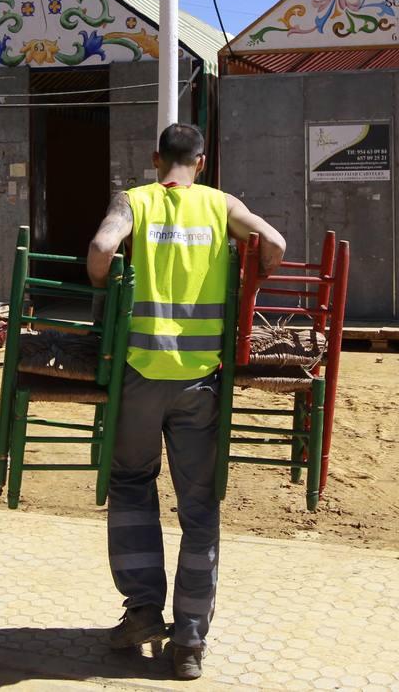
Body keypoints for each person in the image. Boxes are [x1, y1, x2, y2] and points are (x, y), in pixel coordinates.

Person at [87, 123, 285, 680]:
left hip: (140, 375)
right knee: (199, 510)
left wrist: (103, 290)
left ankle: (144, 612)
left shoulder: (135, 201)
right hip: (202, 381)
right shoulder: (222, 205)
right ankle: (190, 641)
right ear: (201, 161)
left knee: (131, 486)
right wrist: (253, 282)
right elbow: (275, 243)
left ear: (156, 160)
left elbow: (102, 248)